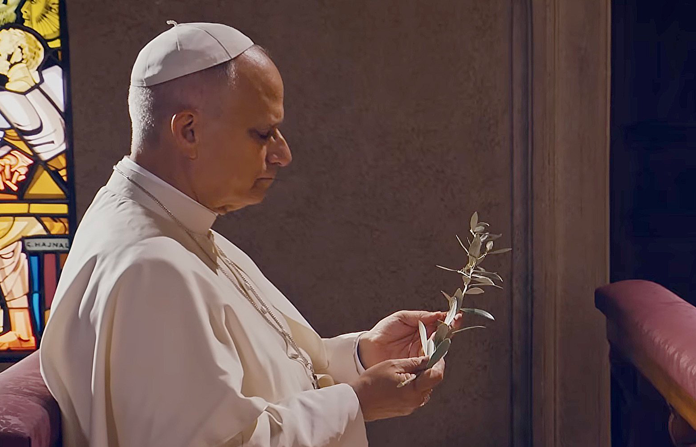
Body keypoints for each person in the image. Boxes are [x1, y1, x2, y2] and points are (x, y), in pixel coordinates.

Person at [40, 22, 455, 447]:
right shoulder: (150, 268)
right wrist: (356, 404)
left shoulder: (177, 224)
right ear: (189, 131)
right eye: (262, 133)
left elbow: (268, 373)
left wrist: (363, 356)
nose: (283, 153)